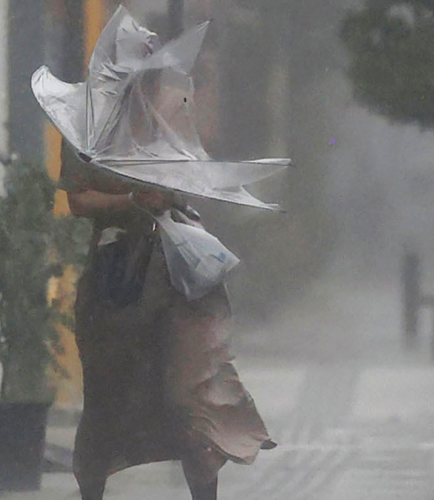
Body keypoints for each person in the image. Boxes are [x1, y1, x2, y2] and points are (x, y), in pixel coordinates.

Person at [60, 143, 275, 500]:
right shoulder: (87, 128)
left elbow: (197, 180)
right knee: (106, 398)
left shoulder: (169, 120)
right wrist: (134, 199)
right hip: (117, 276)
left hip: (180, 267)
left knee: (192, 392)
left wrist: (172, 192)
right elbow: (79, 200)